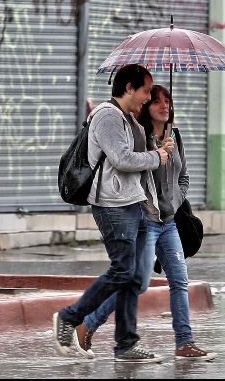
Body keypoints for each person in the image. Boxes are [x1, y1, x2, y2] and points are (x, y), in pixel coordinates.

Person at [73, 84, 215, 362]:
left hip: (169, 222)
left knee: (179, 281)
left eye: (167, 101)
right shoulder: (138, 136)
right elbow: (128, 172)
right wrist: (155, 155)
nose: (164, 106)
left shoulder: (175, 136)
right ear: (146, 107)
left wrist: (173, 201)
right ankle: (87, 324)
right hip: (145, 221)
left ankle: (184, 343)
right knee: (136, 283)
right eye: (157, 101)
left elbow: (183, 177)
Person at [53, 64, 173, 363]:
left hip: (135, 203)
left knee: (132, 278)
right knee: (122, 271)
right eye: (146, 91)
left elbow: (134, 157)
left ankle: (126, 345)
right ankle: (69, 317)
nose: (148, 98)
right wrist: (155, 157)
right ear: (129, 88)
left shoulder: (128, 118)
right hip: (113, 205)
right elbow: (122, 159)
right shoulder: (108, 116)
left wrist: (157, 147)